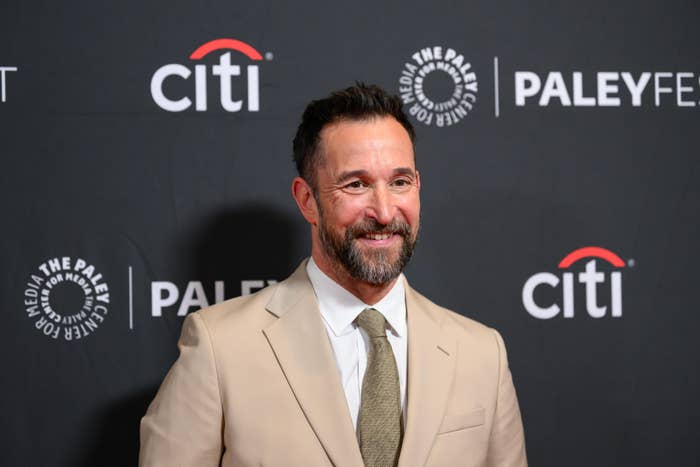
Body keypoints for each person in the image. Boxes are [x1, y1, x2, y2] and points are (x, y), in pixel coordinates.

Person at [139, 83, 527, 467]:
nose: (384, 212)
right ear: (307, 200)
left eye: (399, 182)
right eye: (356, 184)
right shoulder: (219, 348)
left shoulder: (482, 354)